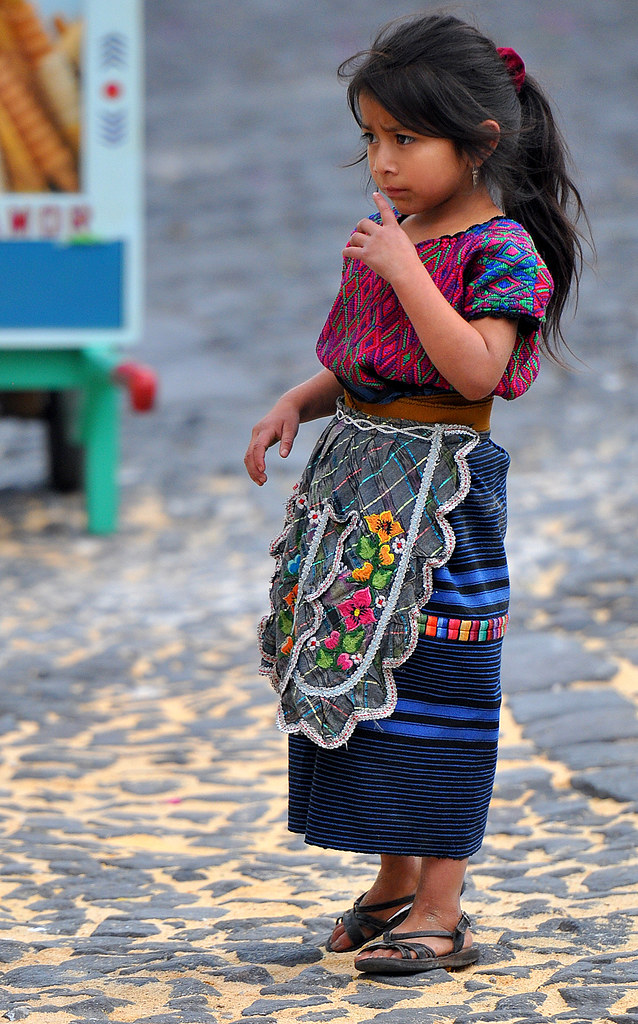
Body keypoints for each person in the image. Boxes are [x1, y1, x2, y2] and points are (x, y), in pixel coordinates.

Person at [244, 12, 585, 976]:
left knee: (441, 681)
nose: (382, 163)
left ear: (477, 140)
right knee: (365, 679)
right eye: (371, 139)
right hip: (356, 489)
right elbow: (369, 366)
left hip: (444, 497)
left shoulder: (503, 249)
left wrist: (404, 269)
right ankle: (393, 882)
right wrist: (297, 403)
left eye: (404, 139)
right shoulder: (400, 232)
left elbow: (474, 370)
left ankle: (443, 902)